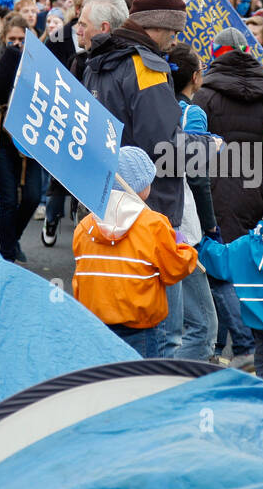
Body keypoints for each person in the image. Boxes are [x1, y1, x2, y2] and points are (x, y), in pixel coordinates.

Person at [192, 28, 263, 370]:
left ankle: (243, 345)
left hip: (216, 186)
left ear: (216, 54)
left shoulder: (206, 94)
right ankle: (223, 342)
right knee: (241, 263)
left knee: (218, 268)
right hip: (252, 186)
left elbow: (195, 147)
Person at [72, 147, 198, 356]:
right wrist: (183, 245)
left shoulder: (85, 226)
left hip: (95, 325)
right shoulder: (154, 224)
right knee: (140, 383)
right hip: (142, 329)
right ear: (141, 185)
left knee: (104, 382)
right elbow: (175, 269)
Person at [82, 0, 186, 228]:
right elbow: (162, 145)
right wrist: (210, 147)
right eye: (174, 31)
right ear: (156, 26)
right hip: (146, 203)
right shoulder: (145, 67)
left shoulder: (97, 61)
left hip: (101, 195)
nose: (176, 39)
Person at [166, 43, 220, 361]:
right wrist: (210, 222)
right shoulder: (192, 112)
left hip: (152, 220)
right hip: (182, 224)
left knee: (168, 322)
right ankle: (178, 389)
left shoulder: (150, 106)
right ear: (196, 78)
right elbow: (196, 174)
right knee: (201, 326)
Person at [0, 13, 42, 262]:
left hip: (29, 138)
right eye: (11, 39)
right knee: (8, 199)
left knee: (32, 196)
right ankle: (6, 254)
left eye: (21, 39)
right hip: (0, 137)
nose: (17, 43)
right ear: (3, 39)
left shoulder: (37, 65)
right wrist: (11, 58)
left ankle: (12, 239)